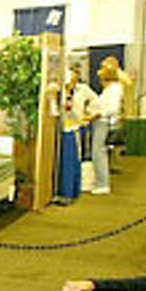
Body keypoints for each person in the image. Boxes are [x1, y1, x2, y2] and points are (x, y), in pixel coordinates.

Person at [48, 65, 98, 202]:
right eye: (71, 80)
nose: (72, 83)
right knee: (67, 161)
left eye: (75, 79)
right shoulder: (60, 91)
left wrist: (90, 115)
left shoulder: (81, 90)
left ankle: (69, 193)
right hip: (63, 128)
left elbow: (94, 101)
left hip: (74, 128)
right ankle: (67, 192)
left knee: (72, 161)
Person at [89, 57, 128, 196]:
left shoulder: (115, 89)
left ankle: (103, 184)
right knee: (99, 153)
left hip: (103, 123)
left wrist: (96, 115)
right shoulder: (113, 88)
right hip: (102, 122)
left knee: (98, 153)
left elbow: (112, 108)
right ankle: (101, 182)